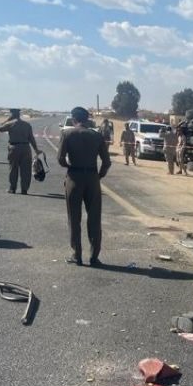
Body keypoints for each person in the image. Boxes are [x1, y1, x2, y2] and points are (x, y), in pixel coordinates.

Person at [57, 105, 111, 267]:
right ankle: (94, 257)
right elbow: (107, 162)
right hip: (92, 178)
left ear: (74, 118)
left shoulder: (67, 134)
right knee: (94, 218)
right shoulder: (97, 136)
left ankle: (77, 255)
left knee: (74, 218)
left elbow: (60, 159)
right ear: (87, 119)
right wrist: (98, 175)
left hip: (74, 177)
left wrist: (70, 167)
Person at [0, 108, 42, 194]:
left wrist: (7, 120)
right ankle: (24, 189)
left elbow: (0, 128)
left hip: (14, 148)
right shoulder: (27, 125)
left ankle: (12, 188)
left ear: (12, 114)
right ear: (19, 114)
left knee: (13, 168)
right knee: (26, 170)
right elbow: (31, 138)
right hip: (26, 148)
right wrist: (36, 149)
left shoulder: (10, 123)